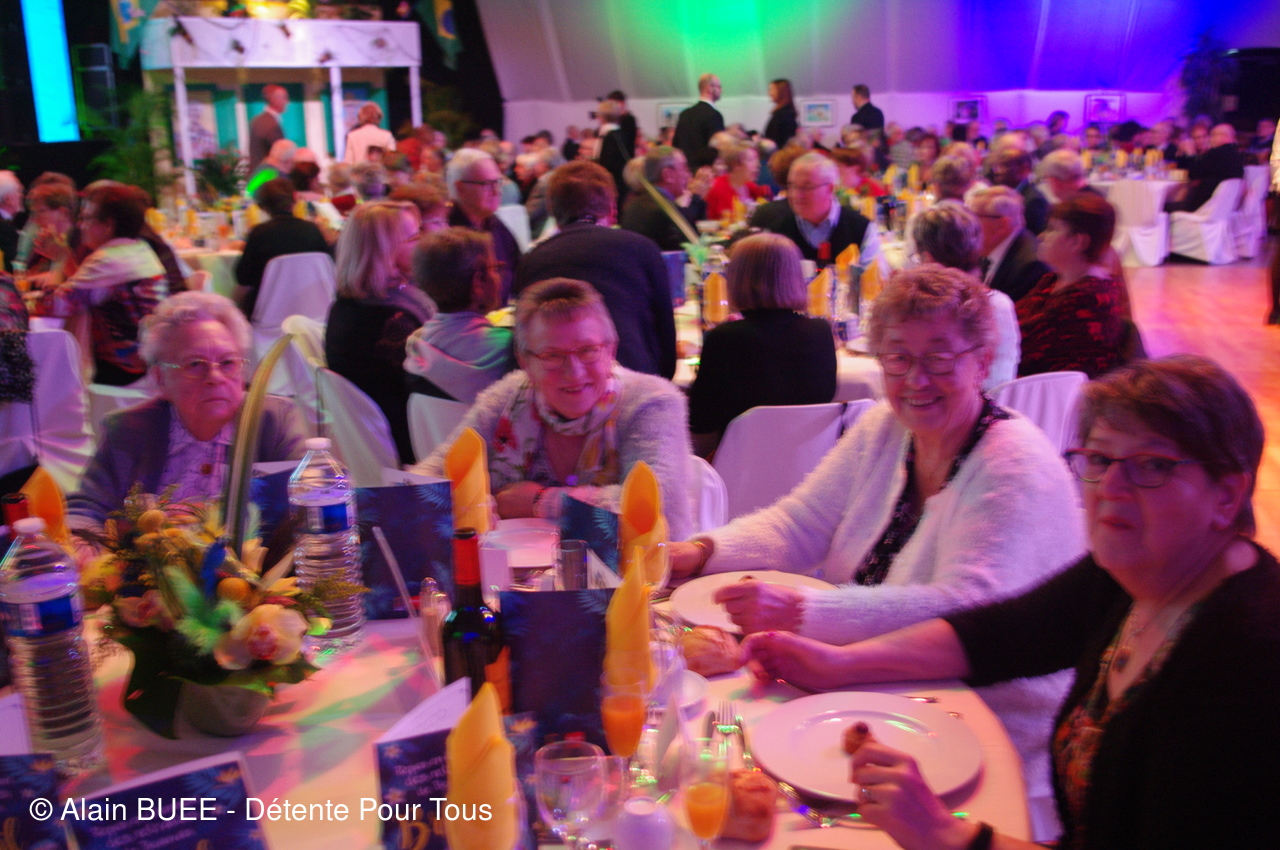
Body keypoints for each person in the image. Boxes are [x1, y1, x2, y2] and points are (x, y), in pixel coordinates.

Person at [743, 354, 1277, 850]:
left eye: (1152, 465)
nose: (1111, 486)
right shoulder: (1139, 572)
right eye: (1098, 457)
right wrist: (839, 665)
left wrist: (945, 834)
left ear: (1227, 494)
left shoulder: (1243, 665)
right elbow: (1003, 635)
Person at [670, 265, 1083, 814]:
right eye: (898, 358)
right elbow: (800, 522)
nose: (916, 379)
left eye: (939, 358)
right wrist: (701, 551)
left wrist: (802, 613)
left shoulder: (1013, 463)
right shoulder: (886, 428)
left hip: (987, 725)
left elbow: (967, 608)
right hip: (877, 688)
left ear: (983, 361)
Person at [413, 277, 693, 539]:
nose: (574, 372)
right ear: (525, 361)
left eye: (587, 350)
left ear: (610, 349)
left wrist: (544, 502)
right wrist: (469, 502)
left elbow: (661, 512)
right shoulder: (508, 398)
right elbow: (426, 480)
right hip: (513, 570)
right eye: (552, 355)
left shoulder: (651, 402)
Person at [67, 291, 307, 532]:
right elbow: (86, 508)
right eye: (195, 364)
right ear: (161, 378)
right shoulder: (128, 429)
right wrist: (82, 540)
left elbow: (310, 499)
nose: (215, 377)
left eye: (227, 362)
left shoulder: (274, 420)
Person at [514, 161, 676, 380]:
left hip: (559, 386)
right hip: (635, 381)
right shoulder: (643, 249)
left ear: (552, 212)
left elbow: (524, 342)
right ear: (613, 210)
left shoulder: (532, 260)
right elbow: (666, 337)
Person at [686, 234, 835, 458]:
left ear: (737, 279)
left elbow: (700, 421)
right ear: (795, 277)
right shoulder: (820, 332)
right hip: (809, 465)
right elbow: (825, 397)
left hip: (739, 467)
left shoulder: (725, 338)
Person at [324, 202, 435, 465]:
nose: (422, 244)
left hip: (374, 437)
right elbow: (432, 389)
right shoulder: (389, 319)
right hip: (408, 443)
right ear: (385, 250)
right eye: (414, 238)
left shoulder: (349, 304)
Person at [32, 183, 166, 385]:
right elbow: (87, 293)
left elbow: (54, 306)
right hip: (150, 364)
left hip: (126, 373)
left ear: (108, 225)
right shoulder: (137, 249)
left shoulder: (109, 260)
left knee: (41, 373)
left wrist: (58, 262)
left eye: (86, 218)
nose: (80, 225)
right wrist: (62, 257)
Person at [910, 204, 1019, 388]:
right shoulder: (1001, 302)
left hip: (961, 404)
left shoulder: (938, 310)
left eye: (917, 258)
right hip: (1002, 403)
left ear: (928, 259)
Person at [1018, 194, 1126, 379]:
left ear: (1078, 242)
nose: (1041, 236)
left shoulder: (1090, 298)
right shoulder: (1052, 280)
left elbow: (1021, 346)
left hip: (1058, 392)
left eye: (1052, 229)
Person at [404, 227, 516, 404]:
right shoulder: (511, 350)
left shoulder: (417, 346)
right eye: (494, 268)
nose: (498, 278)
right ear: (478, 282)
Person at [749, 152, 881, 267]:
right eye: (792, 186)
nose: (796, 195)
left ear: (830, 189)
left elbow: (874, 279)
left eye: (806, 187)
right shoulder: (776, 230)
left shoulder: (861, 228)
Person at [232, 178, 332, 319]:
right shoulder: (312, 230)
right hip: (316, 312)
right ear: (294, 200)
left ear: (262, 206)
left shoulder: (260, 233)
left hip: (269, 315)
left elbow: (243, 277)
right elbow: (328, 268)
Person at [446, 149, 522, 303]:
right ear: (460, 188)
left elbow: (520, 272)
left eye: (498, 182)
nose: (496, 191)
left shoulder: (496, 225)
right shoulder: (447, 234)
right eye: (487, 184)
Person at [971, 185, 1051, 304]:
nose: (968, 225)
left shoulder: (1030, 266)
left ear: (1002, 224)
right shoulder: (989, 247)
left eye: (973, 217)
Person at [619, 146, 707, 252]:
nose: (688, 174)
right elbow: (691, 249)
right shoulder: (659, 210)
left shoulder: (642, 202)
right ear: (667, 175)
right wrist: (695, 199)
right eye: (684, 168)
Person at [1167, 123, 1244, 213]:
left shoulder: (1217, 153)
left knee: (1163, 206)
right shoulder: (1235, 154)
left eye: (1212, 136)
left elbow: (1193, 174)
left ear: (1222, 136)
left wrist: (1191, 154)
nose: (1209, 139)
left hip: (1203, 207)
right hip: (1221, 209)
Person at [702, 143, 771, 222]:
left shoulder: (752, 188)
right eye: (751, 160)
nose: (757, 165)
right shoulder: (714, 187)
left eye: (757, 160)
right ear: (735, 164)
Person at [673, 74, 725, 170]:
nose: (721, 90)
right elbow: (717, 148)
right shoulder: (714, 115)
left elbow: (676, 145)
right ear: (709, 88)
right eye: (719, 87)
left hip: (685, 170)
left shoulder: (685, 114)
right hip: (705, 171)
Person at [249, 84, 288, 172]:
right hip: (269, 174)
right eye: (284, 98)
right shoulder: (271, 124)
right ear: (274, 100)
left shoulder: (257, 120)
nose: (286, 102)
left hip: (258, 173)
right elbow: (279, 156)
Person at [763, 79, 798, 150]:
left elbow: (778, 141)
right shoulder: (785, 113)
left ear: (781, 92)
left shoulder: (782, 115)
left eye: (771, 90)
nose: (769, 93)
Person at [0, 171, 24, 272]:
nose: (21, 195)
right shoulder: (4, 227)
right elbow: (14, 264)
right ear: (7, 199)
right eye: (18, 191)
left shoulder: (7, 224)